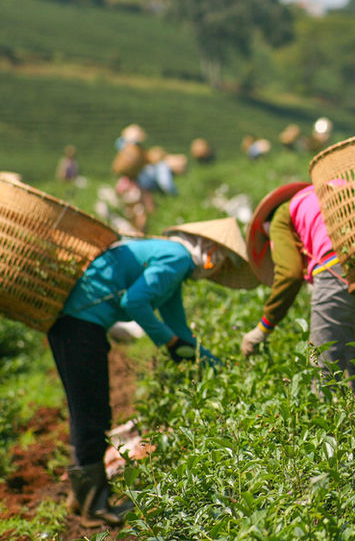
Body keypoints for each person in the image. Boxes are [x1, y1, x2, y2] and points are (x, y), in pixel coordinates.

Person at [51, 217, 258, 527]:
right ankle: (94, 508)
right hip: (79, 326)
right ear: (211, 250)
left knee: (88, 409)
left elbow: (179, 328)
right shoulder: (176, 258)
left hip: (78, 326)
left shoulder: (174, 262)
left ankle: (81, 496)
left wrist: (217, 366)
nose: (217, 271)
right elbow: (134, 302)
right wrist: (169, 342)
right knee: (91, 412)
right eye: (223, 262)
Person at [241, 183, 355, 397]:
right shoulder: (330, 191)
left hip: (339, 264)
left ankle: (329, 427)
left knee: (324, 370)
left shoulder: (282, 213)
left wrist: (263, 328)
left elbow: (289, 274)